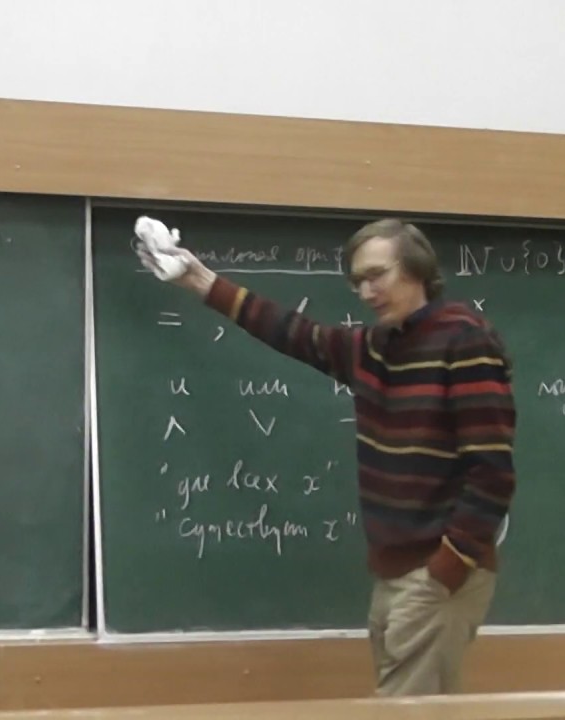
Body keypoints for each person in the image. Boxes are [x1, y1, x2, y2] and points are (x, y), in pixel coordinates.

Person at [135, 217, 517, 696]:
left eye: (377, 274)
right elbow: (293, 332)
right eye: (358, 281)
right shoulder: (376, 347)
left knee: (409, 710)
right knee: (412, 705)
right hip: (395, 571)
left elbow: (492, 470)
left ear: (417, 268)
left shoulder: (464, 340)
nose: (367, 291)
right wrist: (198, 278)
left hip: (436, 570)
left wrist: (449, 566)